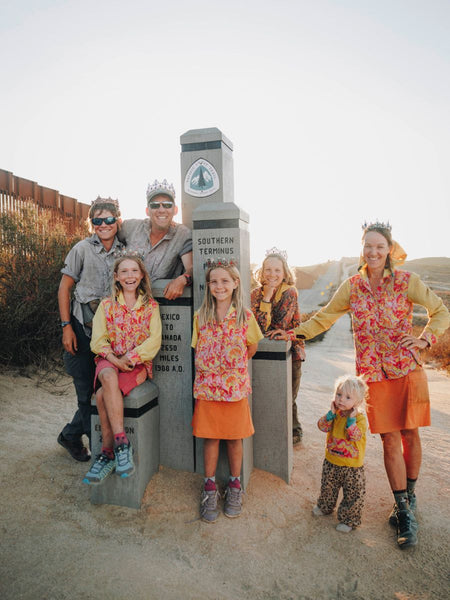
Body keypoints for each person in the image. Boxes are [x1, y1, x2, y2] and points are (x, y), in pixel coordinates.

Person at [290, 221, 449, 549]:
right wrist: (294, 333)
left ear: (389, 248)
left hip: (407, 369)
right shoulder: (352, 286)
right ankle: (403, 509)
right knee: (390, 441)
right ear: (362, 249)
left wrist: (424, 340)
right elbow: (325, 317)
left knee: (410, 435)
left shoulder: (407, 281)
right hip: (373, 376)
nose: (373, 251)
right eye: (368, 246)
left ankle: (410, 498)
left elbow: (440, 311)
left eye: (379, 246)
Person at [191, 259, 263, 522]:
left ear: (235, 284)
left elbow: (251, 348)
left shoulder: (246, 316)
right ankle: (209, 487)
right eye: (214, 281)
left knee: (234, 438)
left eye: (225, 281)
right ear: (208, 285)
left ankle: (235, 485)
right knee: (211, 438)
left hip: (234, 390)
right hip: (208, 390)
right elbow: (197, 347)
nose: (219, 286)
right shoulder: (201, 316)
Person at [83, 254, 162, 484]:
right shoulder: (107, 305)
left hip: (135, 365)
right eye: (124, 272)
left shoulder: (150, 306)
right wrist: (114, 359)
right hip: (109, 359)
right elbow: (97, 339)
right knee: (107, 374)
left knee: (101, 395)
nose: (130, 276)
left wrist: (130, 357)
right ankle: (121, 442)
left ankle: (107, 453)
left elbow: (154, 340)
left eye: (134, 271)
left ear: (141, 275)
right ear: (116, 277)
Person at [57, 197, 124, 462]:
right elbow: (64, 287)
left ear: (118, 220)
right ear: (92, 223)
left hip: (110, 334)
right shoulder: (82, 249)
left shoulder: (126, 251)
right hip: (81, 329)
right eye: (98, 220)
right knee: (85, 391)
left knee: (106, 390)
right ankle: (89, 444)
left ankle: (70, 434)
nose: (104, 225)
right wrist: (66, 328)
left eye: (109, 219)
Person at [251, 248, 305, 444]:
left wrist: (268, 299)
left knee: (288, 396)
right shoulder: (256, 294)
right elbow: (256, 328)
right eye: (268, 270)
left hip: (291, 351)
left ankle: (294, 432)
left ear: (284, 273)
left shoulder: (290, 293)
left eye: (277, 270)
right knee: (270, 395)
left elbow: (278, 328)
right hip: (265, 352)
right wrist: (266, 296)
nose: (272, 275)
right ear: (261, 271)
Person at [119, 179, 193, 300]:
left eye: (167, 205)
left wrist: (183, 279)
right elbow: (107, 230)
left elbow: (191, 267)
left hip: (156, 304)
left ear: (175, 210)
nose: (161, 210)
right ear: (147, 211)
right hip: (122, 302)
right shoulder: (130, 227)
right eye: (155, 205)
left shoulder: (182, 234)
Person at [312, 374, 368, 533]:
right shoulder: (334, 413)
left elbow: (355, 436)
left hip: (352, 466)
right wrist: (330, 414)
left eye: (348, 397)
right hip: (331, 460)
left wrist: (351, 420)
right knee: (328, 487)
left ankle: (349, 519)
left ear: (357, 402)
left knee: (353, 494)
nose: (341, 399)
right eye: (339, 395)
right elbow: (322, 427)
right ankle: (325, 507)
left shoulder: (360, 419)